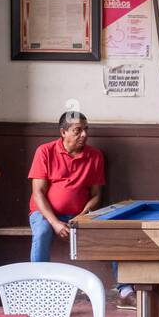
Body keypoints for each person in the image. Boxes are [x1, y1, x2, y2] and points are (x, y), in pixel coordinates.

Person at [26, 111, 134, 303]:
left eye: (86, 130)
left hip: (78, 216)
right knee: (42, 232)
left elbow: (95, 196)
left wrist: (83, 215)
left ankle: (125, 290)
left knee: (115, 231)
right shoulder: (45, 151)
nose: (84, 134)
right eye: (77, 130)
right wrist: (55, 223)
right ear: (63, 132)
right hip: (44, 213)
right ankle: (39, 290)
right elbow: (38, 193)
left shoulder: (95, 156)